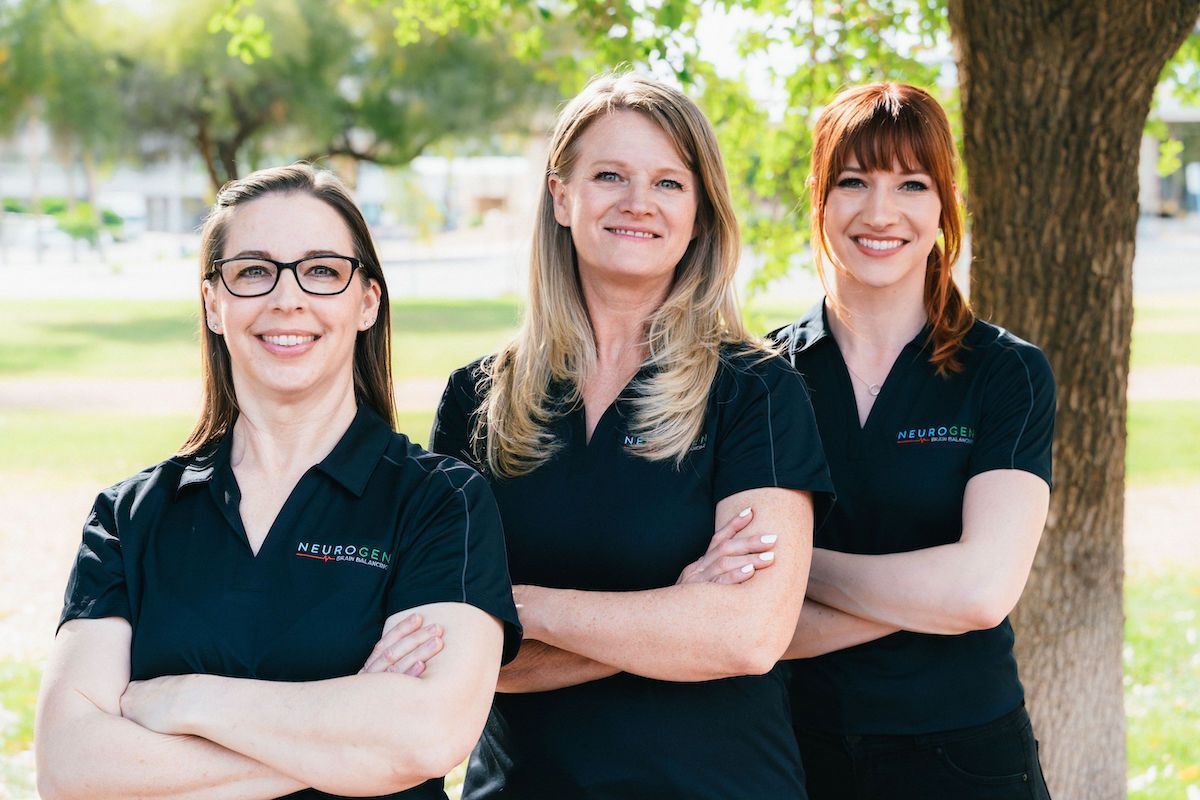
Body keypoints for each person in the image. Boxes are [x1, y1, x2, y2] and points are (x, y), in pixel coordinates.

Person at [34, 164, 522, 800]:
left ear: (367, 300)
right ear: (214, 302)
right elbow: (70, 769)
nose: (287, 299)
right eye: (253, 272)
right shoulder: (131, 515)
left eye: (322, 270)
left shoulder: (440, 502)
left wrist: (186, 700)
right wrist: (352, 737)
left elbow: (426, 737)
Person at [421, 73, 833, 800]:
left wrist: (517, 608)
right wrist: (672, 611)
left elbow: (745, 635)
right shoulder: (476, 400)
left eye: (669, 183)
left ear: (700, 214)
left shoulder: (754, 391)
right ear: (560, 195)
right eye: (609, 174)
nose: (638, 202)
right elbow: (444, 654)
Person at [763, 83, 1055, 798]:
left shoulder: (1006, 373)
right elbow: (749, 627)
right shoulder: (760, 379)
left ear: (943, 203)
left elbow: (982, 593)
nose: (880, 212)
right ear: (819, 198)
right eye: (854, 181)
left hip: (965, 757)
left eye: (912, 184)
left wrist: (794, 572)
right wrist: (928, 593)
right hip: (794, 756)